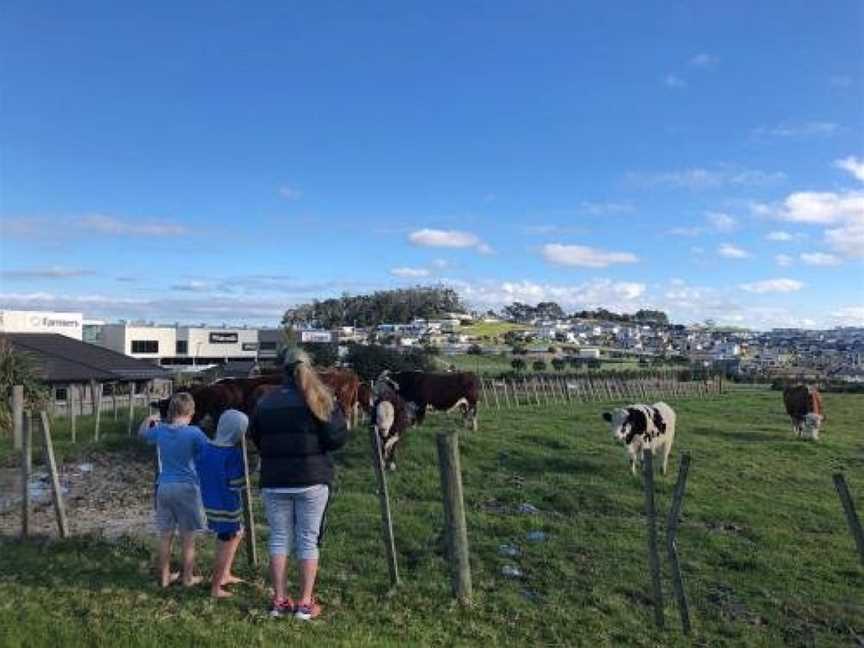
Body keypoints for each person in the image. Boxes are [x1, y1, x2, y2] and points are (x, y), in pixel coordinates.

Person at [250, 347, 349, 621]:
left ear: (282, 369)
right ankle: (305, 604)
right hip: (312, 479)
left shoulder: (265, 402)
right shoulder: (321, 398)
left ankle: (279, 601)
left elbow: (256, 437)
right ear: (310, 367)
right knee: (308, 539)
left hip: (274, 479)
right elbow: (337, 438)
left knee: (279, 538)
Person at [138, 393, 209, 588]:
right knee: (188, 538)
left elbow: (142, 434)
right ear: (191, 413)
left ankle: (164, 578)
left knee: (165, 536)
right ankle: (187, 578)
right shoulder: (195, 432)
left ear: (170, 412)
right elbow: (208, 453)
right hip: (187, 488)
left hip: (164, 487)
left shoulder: (160, 430)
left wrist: (148, 419)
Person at [197, 409, 248, 599]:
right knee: (225, 542)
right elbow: (237, 484)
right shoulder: (232, 454)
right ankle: (215, 587)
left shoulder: (205, 448)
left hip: (209, 503)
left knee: (238, 532)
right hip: (227, 506)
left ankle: (225, 574)